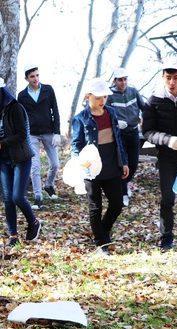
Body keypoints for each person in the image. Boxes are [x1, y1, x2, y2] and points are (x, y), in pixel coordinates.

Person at [0, 75, 42, 246]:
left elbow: (22, 135)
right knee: (7, 199)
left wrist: (0, 144)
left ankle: (34, 222)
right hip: (4, 160)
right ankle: (13, 235)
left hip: (21, 158)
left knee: (17, 197)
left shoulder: (16, 108)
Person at [71, 78, 129, 253]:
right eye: (97, 97)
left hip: (112, 164)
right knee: (95, 206)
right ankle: (101, 243)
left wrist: (124, 162)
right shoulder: (80, 118)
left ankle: (102, 231)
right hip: (91, 168)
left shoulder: (111, 113)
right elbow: (76, 144)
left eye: (104, 97)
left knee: (117, 204)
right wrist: (78, 163)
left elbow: (118, 139)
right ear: (88, 96)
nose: (102, 101)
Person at [142, 57, 177, 250]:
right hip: (167, 155)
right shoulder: (154, 99)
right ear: (163, 77)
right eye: (168, 77)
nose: (172, 82)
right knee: (167, 198)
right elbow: (148, 131)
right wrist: (167, 140)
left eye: (176, 77)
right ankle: (166, 238)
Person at [17, 65, 61, 210]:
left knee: (55, 164)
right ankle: (38, 197)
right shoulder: (22, 95)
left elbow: (55, 110)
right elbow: (21, 117)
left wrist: (57, 132)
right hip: (32, 134)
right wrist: (23, 136)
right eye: (32, 76)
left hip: (49, 132)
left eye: (37, 75)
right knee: (35, 167)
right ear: (26, 79)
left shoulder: (48, 89)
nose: (35, 79)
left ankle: (48, 185)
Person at [106, 68, 147, 207]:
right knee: (122, 164)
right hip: (119, 134)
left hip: (134, 132)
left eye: (125, 79)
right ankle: (123, 193)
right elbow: (105, 114)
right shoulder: (109, 95)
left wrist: (146, 119)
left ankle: (124, 184)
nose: (123, 82)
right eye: (120, 80)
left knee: (133, 164)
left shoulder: (133, 91)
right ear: (115, 80)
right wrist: (116, 123)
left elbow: (144, 107)